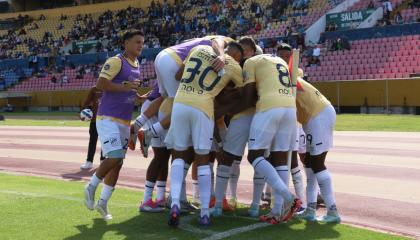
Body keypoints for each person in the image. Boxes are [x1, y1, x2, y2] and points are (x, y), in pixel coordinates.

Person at [165, 42, 244, 227]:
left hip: (181, 102)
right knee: (203, 159)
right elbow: (241, 92)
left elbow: (178, 75)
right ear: (238, 56)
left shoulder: (198, 49)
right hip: (203, 108)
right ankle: (205, 213)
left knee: (178, 155)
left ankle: (175, 203)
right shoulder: (234, 67)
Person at [83, 29, 144, 220]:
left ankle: (103, 203)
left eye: (142, 43)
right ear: (125, 43)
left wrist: (141, 98)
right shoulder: (116, 61)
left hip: (124, 121)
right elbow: (101, 84)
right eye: (136, 42)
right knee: (114, 157)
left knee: (118, 163)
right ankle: (90, 186)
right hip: (107, 118)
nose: (140, 46)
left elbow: (129, 91)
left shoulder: (137, 64)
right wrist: (123, 87)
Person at [295, 78, 341, 223]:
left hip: (317, 116)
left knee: (317, 163)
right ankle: (310, 210)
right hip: (314, 116)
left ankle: (333, 211)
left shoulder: (286, 76)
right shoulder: (289, 75)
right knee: (309, 162)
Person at [80, 86, 105, 170]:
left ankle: (103, 161)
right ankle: (89, 162)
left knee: (105, 141)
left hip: (107, 121)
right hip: (94, 120)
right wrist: (82, 112)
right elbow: (87, 101)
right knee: (92, 141)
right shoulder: (94, 89)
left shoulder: (111, 88)